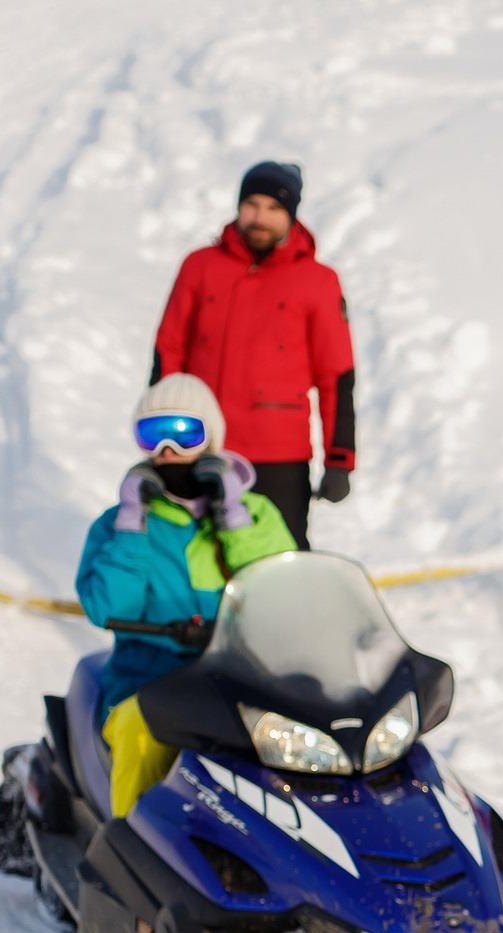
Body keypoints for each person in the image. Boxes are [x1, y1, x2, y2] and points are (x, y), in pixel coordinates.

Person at [75, 375, 296, 816]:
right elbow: (107, 608)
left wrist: (232, 518)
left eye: (184, 432)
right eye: (152, 435)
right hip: (150, 680)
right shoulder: (119, 525)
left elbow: (282, 594)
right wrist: (132, 524)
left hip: (244, 676)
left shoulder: (256, 515)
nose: (168, 452)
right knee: (140, 735)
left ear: (211, 436)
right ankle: (130, 852)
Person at [150, 161, 355, 549]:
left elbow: (337, 376)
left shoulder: (318, 281)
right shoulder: (200, 267)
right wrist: (163, 440)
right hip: (199, 446)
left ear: (291, 216)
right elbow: (168, 352)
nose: (260, 218)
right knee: (193, 552)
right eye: (252, 204)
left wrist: (339, 459)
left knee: (280, 557)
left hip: (278, 456)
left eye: (274, 209)